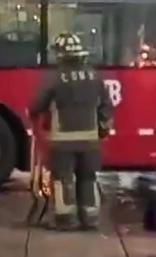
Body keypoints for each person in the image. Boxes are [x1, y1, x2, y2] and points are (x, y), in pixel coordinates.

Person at [29, 32, 113, 231]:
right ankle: (90, 219)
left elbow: (36, 106)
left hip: (63, 141)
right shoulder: (94, 77)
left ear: (61, 55)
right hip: (90, 142)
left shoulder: (55, 78)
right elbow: (106, 107)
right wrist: (101, 129)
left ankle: (66, 220)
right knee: (88, 177)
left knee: (63, 178)